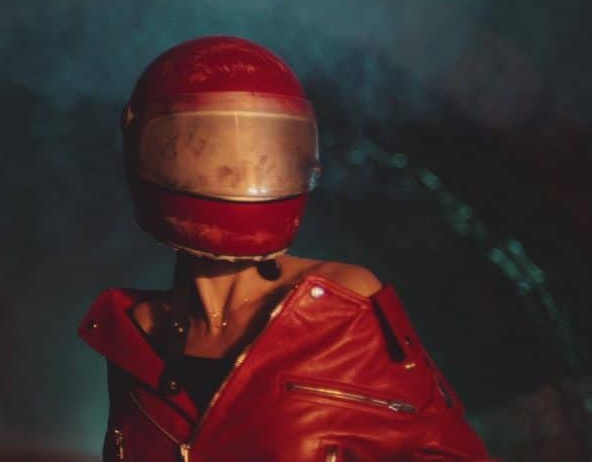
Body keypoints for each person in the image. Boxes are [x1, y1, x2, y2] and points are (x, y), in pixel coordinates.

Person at [79, 36, 492, 461]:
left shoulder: (339, 305)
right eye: (202, 146)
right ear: (150, 149)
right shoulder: (134, 337)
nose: (238, 170)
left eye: (260, 149)